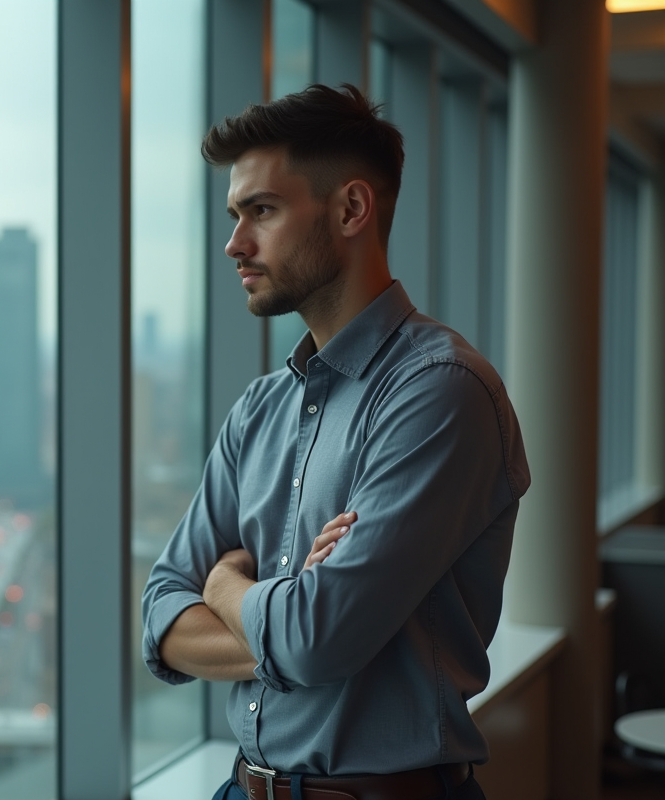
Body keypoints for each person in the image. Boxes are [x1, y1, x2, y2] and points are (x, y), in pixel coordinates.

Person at [140, 84, 529, 800]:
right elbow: (162, 613)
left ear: (352, 209)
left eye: (262, 211)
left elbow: (316, 641)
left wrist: (227, 585)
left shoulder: (440, 392)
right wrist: (282, 609)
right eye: (235, 215)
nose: (235, 243)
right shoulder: (260, 409)